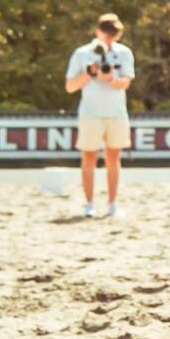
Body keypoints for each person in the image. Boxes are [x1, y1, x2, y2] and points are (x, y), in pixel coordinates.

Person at [65, 13, 134, 218]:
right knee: (89, 158)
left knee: (114, 158)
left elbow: (125, 83)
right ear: (97, 32)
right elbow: (70, 86)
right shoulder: (82, 53)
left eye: (114, 34)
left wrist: (109, 78)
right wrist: (89, 73)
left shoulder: (124, 53)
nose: (110, 38)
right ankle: (89, 204)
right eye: (107, 33)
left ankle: (112, 204)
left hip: (116, 112)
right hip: (90, 113)